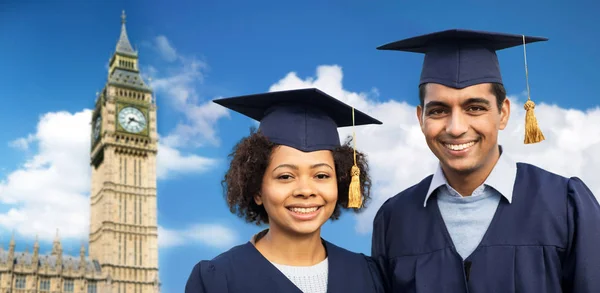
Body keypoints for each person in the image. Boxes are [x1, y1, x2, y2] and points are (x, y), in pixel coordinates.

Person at [371, 29, 600, 292]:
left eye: (475, 108)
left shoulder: (564, 204)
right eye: (438, 110)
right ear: (420, 118)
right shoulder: (394, 219)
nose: (456, 127)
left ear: (503, 113)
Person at [185, 88, 385, 293]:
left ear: (341, 182)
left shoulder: (365, 274)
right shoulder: (219, 280)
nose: (305, 190)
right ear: (257, 190)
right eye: (285, 176)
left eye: (321, 176)